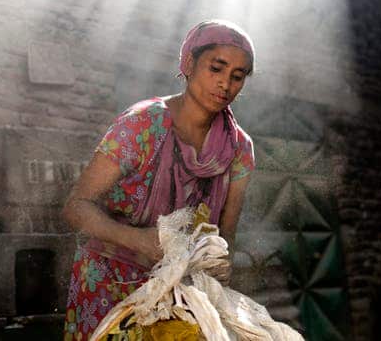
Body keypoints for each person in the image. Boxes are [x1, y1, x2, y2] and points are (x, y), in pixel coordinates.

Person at [61, 19, 256, 341]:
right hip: (111, 286)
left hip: (183, 295)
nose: (225, 84)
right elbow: (76, 207)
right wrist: (136, 239)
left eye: (237, 77)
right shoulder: (143, 124)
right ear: (189, 63)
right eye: (216, 69)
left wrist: (217, 274)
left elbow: (226, 234)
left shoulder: (239, 149)